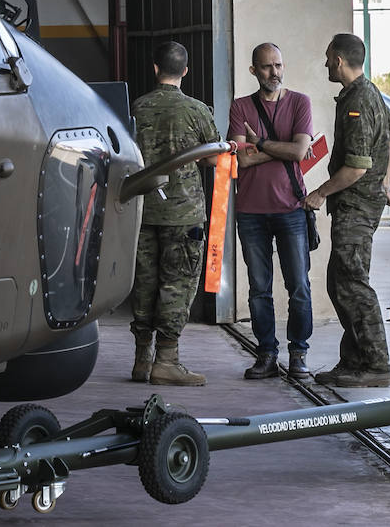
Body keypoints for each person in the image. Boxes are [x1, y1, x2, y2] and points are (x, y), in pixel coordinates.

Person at [302, 33, 390, 388]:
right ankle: (353, 360)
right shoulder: (368, 92)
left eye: (329, 57)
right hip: (363, 201)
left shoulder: (359, 100)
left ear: (341, 60)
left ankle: (375, 363)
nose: (326, 63)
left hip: (356, 206)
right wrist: (387, 180)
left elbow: (357, 167)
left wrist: (319, 193)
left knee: (352, 284)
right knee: (340, 282)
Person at [130, 41, 222, 386]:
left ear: (155, 68)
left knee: (144, 283)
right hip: (183, 214)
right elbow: (214, 158)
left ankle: (141, 359)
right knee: (176, 285)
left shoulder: (137, 107)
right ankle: (166, 360)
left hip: (142, 209)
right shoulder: (197, 111)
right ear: (185, 71)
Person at [229, 43, 315, 379]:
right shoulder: (240, 107)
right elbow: (242, 158)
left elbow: (300, 151)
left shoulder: (299, 102)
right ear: (254, 70)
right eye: (266, 67)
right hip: (250, 211)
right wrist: (287, 149)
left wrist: (262, 143)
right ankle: (266, 354)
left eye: (278, 65)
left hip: (291, 208)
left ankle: (298, 354)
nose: (274, 72)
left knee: (299, 286)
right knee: (259, 288)